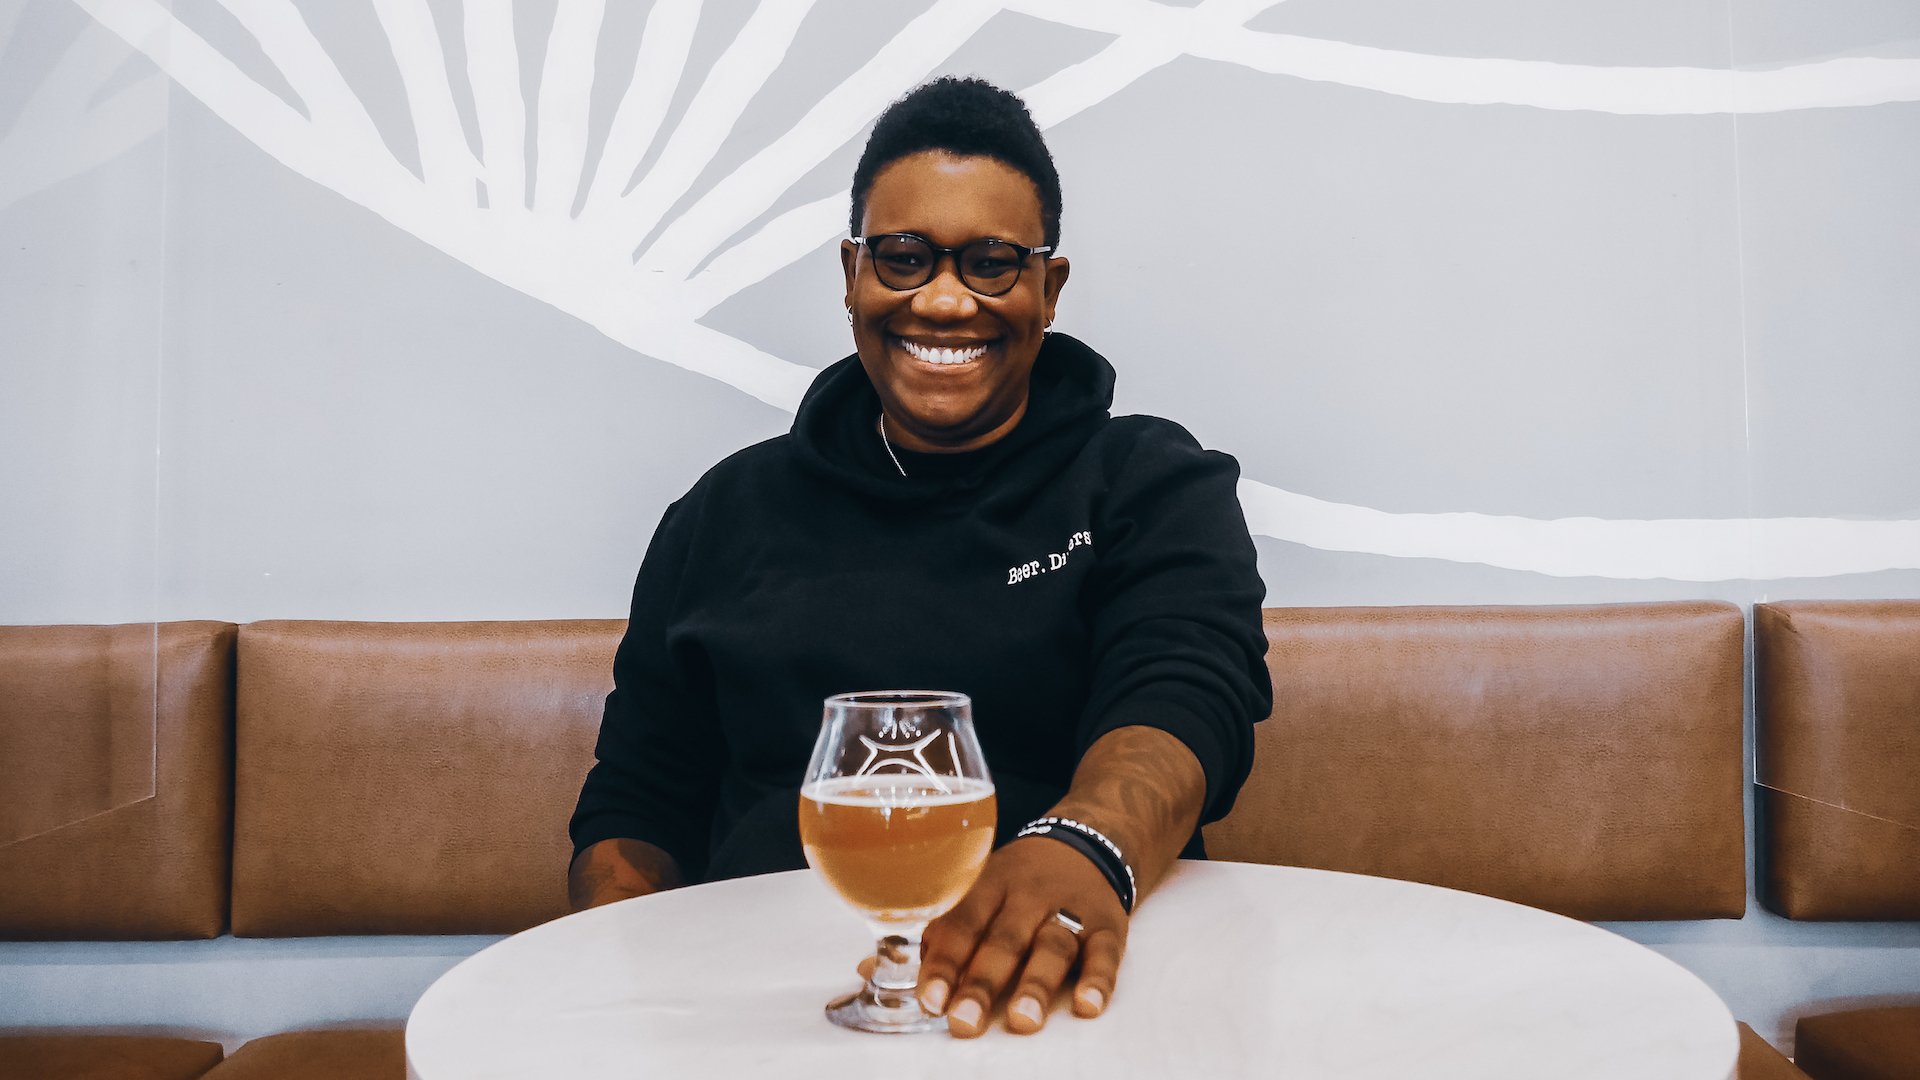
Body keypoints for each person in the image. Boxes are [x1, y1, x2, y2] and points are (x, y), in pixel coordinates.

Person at [568, 76, 1271, 1038]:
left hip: (1062, 999)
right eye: (903, 258)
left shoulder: (1148, 482)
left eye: (990, 263)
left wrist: (1083, 844)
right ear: (852, 273)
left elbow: (1187, 696)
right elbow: (639, 801)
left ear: (1048, 287)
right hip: (765, 1020)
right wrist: (634, 999)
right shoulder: (722, 514)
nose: (943, 301)